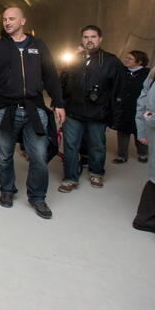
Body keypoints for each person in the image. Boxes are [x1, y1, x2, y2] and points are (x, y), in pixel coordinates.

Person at [0, 7, 65, 219]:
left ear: (23, 21)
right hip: (5, 109)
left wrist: (59, 102)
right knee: (5, 154)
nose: (7, 22)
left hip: (34, 109)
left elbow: (51, 74)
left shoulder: (38, 45)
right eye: (5, 19)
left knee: (39, 155)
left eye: (11, 19)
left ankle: (37, 197)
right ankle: (7, 191)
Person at [58, 26, 123, 192]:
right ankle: (70, 177)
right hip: (73, 110)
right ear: (81, 39)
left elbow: (118, 90)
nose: (89, 40)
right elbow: (62, 83)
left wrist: (115, 117)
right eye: (86, 37)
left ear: (100, 39)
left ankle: (96, 172)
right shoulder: (73, 59)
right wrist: (59, 104)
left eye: (93, 37)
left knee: (97, 145)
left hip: (98, 113)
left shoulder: (111, 61)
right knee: (71, 145)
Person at [133, 55, 155, 248]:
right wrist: (148, 123)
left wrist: (143, 128)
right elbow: (143, 107)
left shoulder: (153, 76)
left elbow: (141, 106)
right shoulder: (153, 77)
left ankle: (144, 218)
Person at [113, 50, 150, 163]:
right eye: (126, 58)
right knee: (123, 131)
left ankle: (143, 154)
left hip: (140, 107)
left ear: (139, 62)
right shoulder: (122, 71)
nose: (126, 60)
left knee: (139, 130)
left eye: (130, 59)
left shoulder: (148, 74)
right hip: (123, 107)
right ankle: (122, 156)